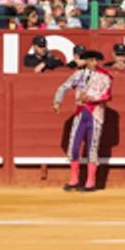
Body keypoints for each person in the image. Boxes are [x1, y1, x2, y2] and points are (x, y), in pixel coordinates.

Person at [52, 50, 113, 192]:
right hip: (80, 114)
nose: (94, 63)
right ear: (86, 61)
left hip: (96, 114)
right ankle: (74, 180)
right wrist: (57, 101)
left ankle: (90, 182)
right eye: (91, 60)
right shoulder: (78, 75)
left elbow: (107, 95)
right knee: (73, 146)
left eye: (96, 60)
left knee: (92, 148)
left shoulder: (105, 77)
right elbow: (64, 87)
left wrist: (91, 98)